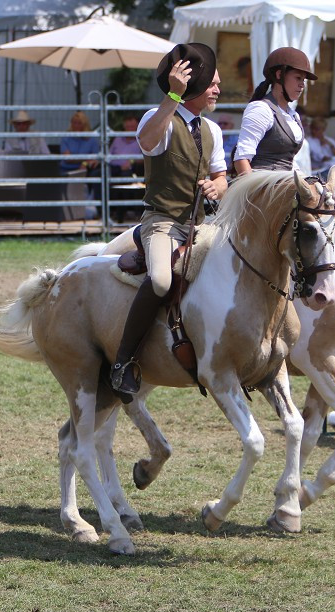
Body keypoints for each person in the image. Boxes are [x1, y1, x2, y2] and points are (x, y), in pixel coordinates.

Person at [110, 43, 227, 397]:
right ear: (193, 88)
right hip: (161, 221)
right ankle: (123, 361)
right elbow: (146, 141)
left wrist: (219, 186)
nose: (218, 90)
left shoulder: (214, 131)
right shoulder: (157, 117)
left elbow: (222, 176)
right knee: (161, 279)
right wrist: (173, 95)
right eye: (213, 85)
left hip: (201, 226)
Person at [232, 46, 315, 175]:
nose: (302, 85)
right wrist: (254, 192)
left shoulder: (294, 115)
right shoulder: (261, 109)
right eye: (298, 78)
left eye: (303, 80)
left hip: (286, 185)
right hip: (262, 187)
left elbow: (289, 162)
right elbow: (241, 159)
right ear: (279, 75)